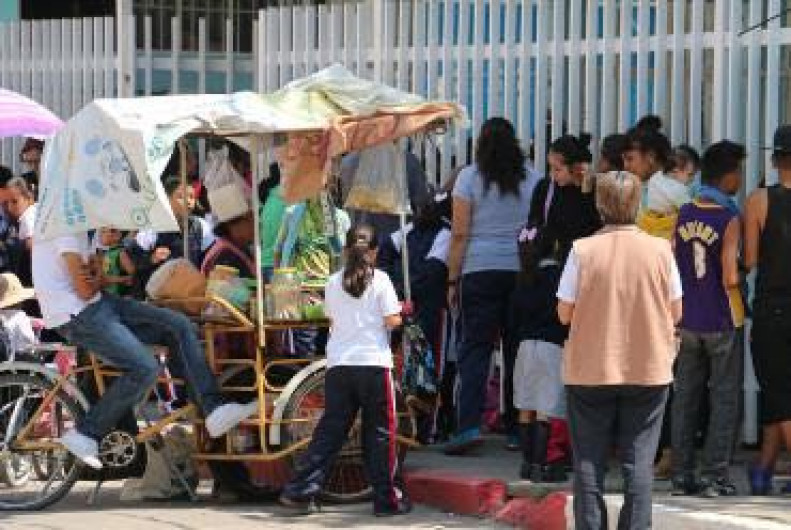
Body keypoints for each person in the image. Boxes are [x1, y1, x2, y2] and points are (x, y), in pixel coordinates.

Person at [32, 230, 258, 470]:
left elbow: (96, 281)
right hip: (78, 314)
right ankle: (88, 433)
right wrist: (97, 277)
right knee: (143, 368)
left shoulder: (81, 231)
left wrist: (97, 273)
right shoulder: (65, 231)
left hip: (99, 304)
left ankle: (212, 408)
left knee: (178, 325)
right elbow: (86, 289)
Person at [557, 171, 683, 530]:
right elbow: (677, 310)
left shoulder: (582, 250)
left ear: (599, 206)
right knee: (639, 463)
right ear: (637, 205)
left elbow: (564, 312)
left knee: (588, 462)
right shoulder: (660, 250)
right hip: (648, 368)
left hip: (590, 370)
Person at [279, 224, 411, 516]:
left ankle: (301, 490)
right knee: (380, 434)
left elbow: (332, 321)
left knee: (330, 431)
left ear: (346, 251)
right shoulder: (382, 280)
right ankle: (386, 499)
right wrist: (402, 312)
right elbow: (392, 321)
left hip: (339, 366)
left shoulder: (332, 282)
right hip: (373, 365)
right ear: (374, 252)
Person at [444, 117, 540, 455]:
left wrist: (452, 279)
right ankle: (517, 429)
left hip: (478, 271)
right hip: (520, 273)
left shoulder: (468, 178)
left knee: (475, 351)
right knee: (516, 351)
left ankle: (468, 426)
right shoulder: (533, 178)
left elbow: (458, 234)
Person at [670, 141, 745, 498]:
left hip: (687, 318)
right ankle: (716, 475)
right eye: (739, 173)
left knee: (686, 396)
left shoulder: (684, 212)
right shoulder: (729, 217)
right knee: (724, 398)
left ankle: (681, 473)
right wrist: (744, 272)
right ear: (728, 176)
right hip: (722, 317)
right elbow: (730, 276)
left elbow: (672, 261)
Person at [744, 125, 791, 495]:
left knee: (777, 391)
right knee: (780, 395)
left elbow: (750, 259)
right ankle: (763, 469)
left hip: (773, 307)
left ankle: (764, 469)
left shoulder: (760, 201)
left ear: (775, 160)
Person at [511, 229, 567, 483]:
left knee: (526, 406)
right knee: (545, 409)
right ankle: (540, 464)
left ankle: (525, 463)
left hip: (525, 346)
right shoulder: (557, 275)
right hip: (551, 346)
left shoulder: (524, 276)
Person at [131, 176, 214, 296]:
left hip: (191, 292)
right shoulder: (153, 227)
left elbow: (209, 258)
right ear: (167, 200)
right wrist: (152, 259)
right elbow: (135, 263)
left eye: (192, 197)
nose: (188, 201)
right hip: (160, 297)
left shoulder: (201, 225)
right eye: (181, 196)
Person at [529, 133, 602, 264]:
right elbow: (534, 223)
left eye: (557, 169)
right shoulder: (545, 187)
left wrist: (586, 192)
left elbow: (594, 228)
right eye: (550, 167)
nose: (552, 174)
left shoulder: (596, 189)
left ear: (576, 168)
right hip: (554, 265)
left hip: (589, 263)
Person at [201, 183, 255, 277]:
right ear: (235, 225)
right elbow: (227, 291)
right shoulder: (224, 256)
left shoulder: (238, 247)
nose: (256, 224)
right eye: (251, 218)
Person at [4, 177, 37, 288]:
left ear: (29, 198)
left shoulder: (28, 218)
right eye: (7, 203)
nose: (10, 207)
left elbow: (32, 245)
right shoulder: (33, 212)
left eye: (14, 201)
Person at [96, 227, 135, 296]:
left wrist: (121, 279)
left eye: (104, 232)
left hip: (118, 296)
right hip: (107, 294)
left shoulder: (121, 253)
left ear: (116, 236)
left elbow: (134, 275)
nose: (100, 235)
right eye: (101, 232)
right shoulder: (107, 253)